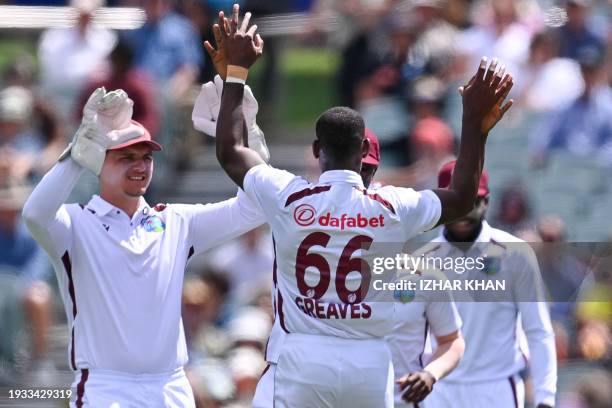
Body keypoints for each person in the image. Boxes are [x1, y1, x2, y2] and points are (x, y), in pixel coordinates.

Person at [213, 4, 513, 406]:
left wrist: (236, 72)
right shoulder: (393, 205)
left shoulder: (288, 196)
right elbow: (460, 199)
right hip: (370, 361)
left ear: (317, 150)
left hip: (303, 353)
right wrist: (474, 124)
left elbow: (231, 150)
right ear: (364, 153)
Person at [22, 86, 269, 406]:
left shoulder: (176, 222)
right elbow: (35, 214)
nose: (140, 166)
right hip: (105, 387)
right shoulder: (74, 223)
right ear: (98, 160)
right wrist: (78, 151)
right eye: (126, 157)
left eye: (146, 157)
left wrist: (248, 138)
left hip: (171, 386)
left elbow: (255, 208)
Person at [407, 161, 557, 408]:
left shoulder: (515, 254)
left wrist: (546, 398)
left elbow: (538, 329)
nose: (465, 212)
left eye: (473, 202)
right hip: (439, 389)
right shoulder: (421, 260)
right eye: (458, 203)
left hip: (496, 389)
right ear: (441, 204)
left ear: (486, 202)